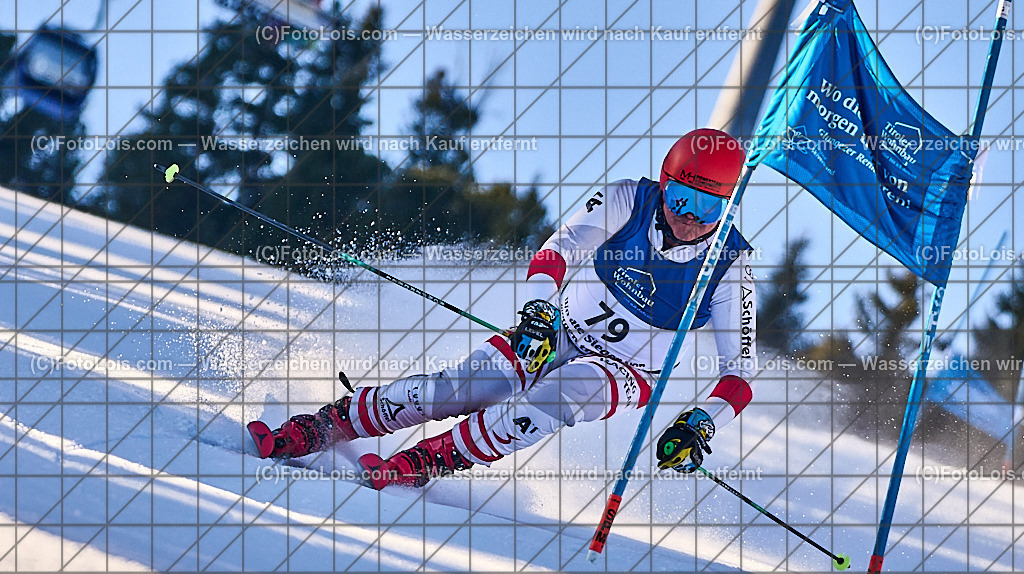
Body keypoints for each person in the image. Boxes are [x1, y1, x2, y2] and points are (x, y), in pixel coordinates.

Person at [247, 128, 757, 489]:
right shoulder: (628, 199)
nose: (689, 218)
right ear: (664, 182)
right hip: (561, 327)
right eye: (682, 198)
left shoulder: (730, 262)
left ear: (727, 205)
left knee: (561, 393)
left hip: (628, 371)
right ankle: (320, 427)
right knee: (462, 388)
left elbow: (740, 374)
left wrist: (701, 423)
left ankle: (430, 460)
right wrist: (538, 315)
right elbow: (555, 254)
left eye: (708, 207)